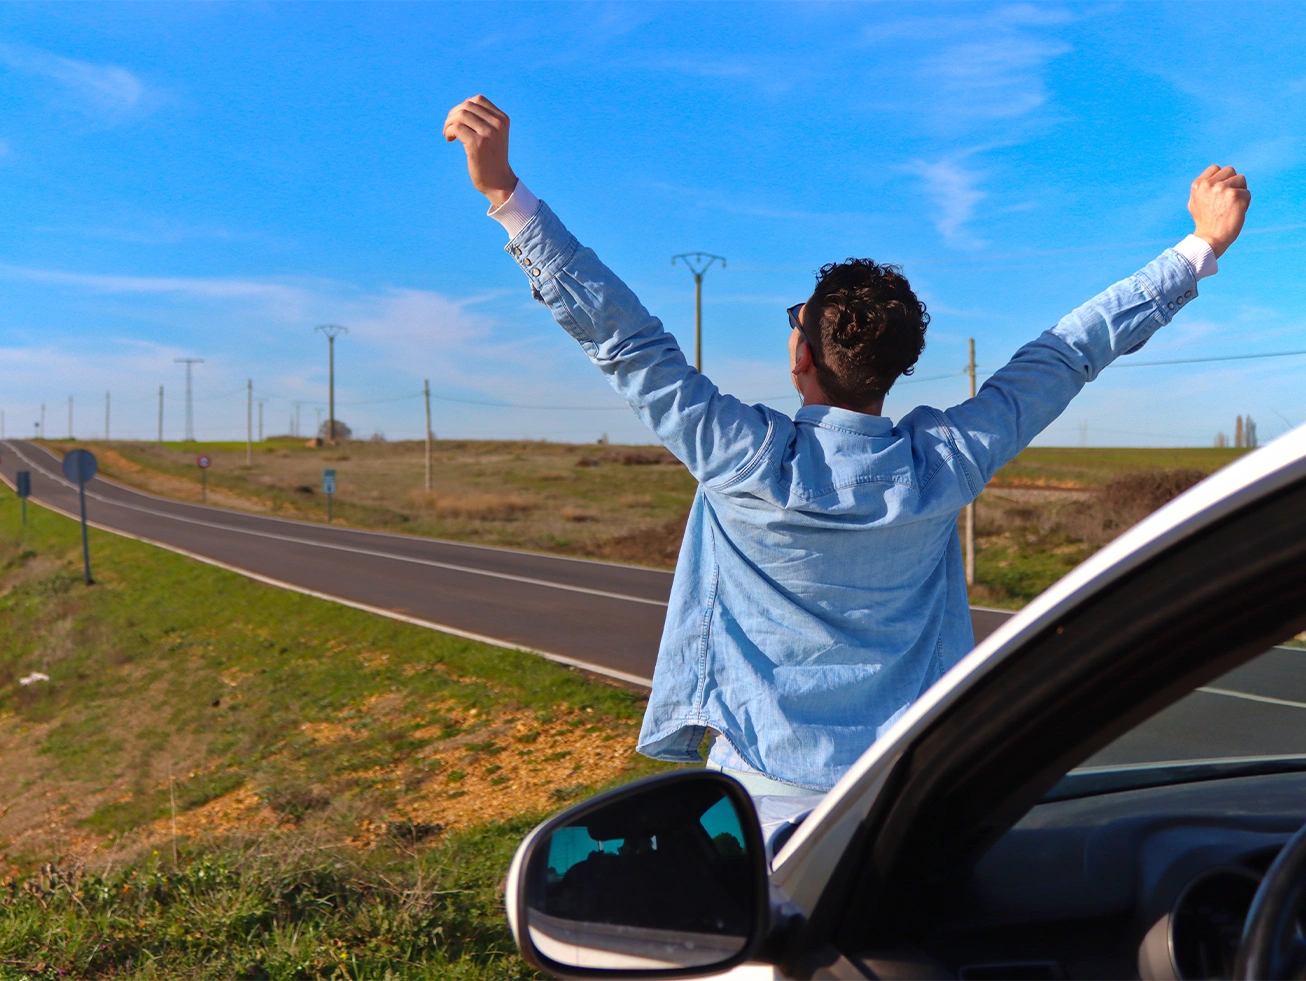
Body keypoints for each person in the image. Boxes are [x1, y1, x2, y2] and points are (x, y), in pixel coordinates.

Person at [444, 95, 1252, 803]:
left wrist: (506, 195)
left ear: (802, 357)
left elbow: (620, 337)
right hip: (901, 803)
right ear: (898, 368)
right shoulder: (943, 462)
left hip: (758, 798)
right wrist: (1197, 249)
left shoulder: (740, 454)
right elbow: (1072, 350)